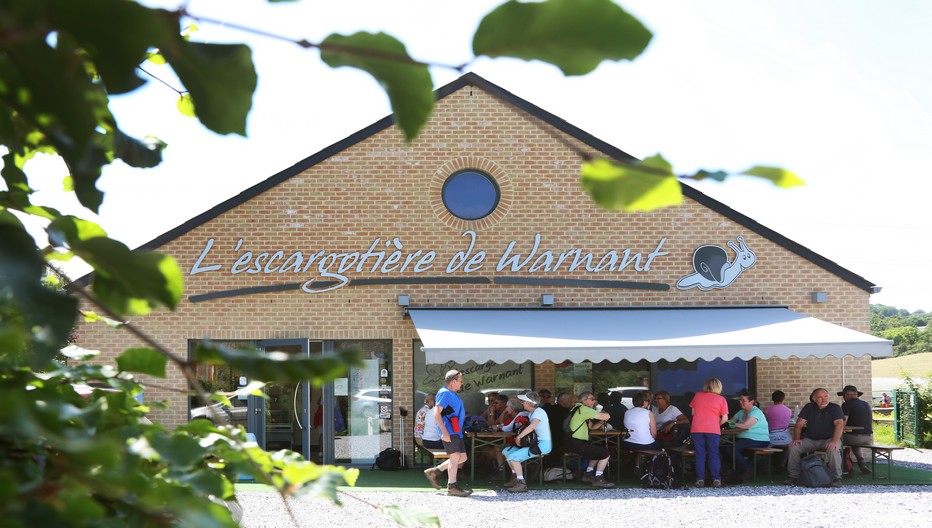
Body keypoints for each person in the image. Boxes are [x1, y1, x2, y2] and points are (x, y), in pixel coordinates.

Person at [423, 370, 471, 497]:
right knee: (455, 458)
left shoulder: (452, 393)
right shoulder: (444, 393)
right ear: (453, 381)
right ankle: (452, 487)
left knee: (463, 458)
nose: (462, 383)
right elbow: (436, 413)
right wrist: (444, 432)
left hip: (456, 431)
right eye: (461, 381)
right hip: (450, 431)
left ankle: (435, 471)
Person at [784, 388, 845, 488]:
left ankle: (836, 478)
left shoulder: (835, 408)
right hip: (811, 440)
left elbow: (839, 425)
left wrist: (834, 441)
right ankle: (794, 477)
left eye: (826, 396)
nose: (824, 399)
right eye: (820, 397)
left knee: (833, 449)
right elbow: (799, 424)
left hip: (829, 439)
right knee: (793, 447)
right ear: (814, 399)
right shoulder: (809, 407)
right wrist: (797, 439)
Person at [502, 392, 552, 492]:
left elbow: (532, 426)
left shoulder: (539, 412)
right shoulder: (531, 413)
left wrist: (519, 437)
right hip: (535, 443)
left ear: (529, 403)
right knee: (506, 451)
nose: (522, 403)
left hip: (543, 445)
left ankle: (521, 483)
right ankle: (515, 477)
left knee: (514, 458)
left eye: (524, 401)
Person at [567, 391, 615, 488]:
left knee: (596, 452)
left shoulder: (577, 408)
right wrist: (602, 411)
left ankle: (587, 475)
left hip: (572, 442)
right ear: (584, 400)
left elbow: (592, 427)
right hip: (577, 443)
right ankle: (598, 478)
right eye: (592, 399)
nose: (594, 401)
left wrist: (601, 421)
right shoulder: (584, 409)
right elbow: (607, 416)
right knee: (605, 454)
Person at [689, 377, 729, 488]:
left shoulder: (698, 395)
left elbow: (693, 413)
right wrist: (716, 424)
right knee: (714, 454)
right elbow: (725, 418)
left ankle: (700, 479)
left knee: (700, 454)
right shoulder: (721, 399)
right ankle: (716, 479)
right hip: (713, 430)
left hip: (697, 428)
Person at [726, 392, 771, 480]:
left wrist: (731, 424)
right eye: (740, 400)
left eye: (743, 400)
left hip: (759, 439)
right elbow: (730, 422)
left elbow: (745, 426)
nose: (740, 402)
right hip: (744, 439)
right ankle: (732, 470)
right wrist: (727, 422)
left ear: (751, 402)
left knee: (732, 449)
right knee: (725, 447)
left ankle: (747, 468)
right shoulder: (741, 412)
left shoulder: (756, 412)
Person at [839, 385, 874, 474]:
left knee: (834, 439)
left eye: (843, 395)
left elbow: (843, 422)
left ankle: (841, 465)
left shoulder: (846, 404)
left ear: (846, 395)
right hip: (868, 437)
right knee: (855, 444)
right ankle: (861, 462)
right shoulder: (865, 404)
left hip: (854, 437)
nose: (843, 398)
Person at [544, 392, 575, 468]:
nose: (572, 403)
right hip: (559, 442)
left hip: (549, 441)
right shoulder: (565, 412)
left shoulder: (550, 409)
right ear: (562, 401)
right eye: (570, 400)